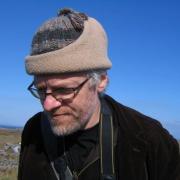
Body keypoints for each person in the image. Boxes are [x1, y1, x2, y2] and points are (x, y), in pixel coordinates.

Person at [18, 8, 180, 180]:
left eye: (64, 90)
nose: (48, 105)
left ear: (101, 81)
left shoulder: (151, 141)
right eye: (41, 90)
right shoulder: (33, 131)